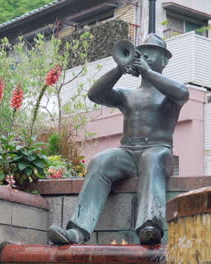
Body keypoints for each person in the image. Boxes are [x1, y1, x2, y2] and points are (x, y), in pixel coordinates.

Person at [48, 33, 189, 245]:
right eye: (143, 53)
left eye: (153, 53)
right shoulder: (127, 94)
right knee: (99, 161)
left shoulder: (170, 93)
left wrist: (148, 73)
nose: (147, 57)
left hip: (158, 151)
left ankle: (151, 226)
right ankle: (77, 230)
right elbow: (94, 95)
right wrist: (118, 70)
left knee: (151, 159)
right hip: (127, 153)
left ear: (165, 60)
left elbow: (183, 93)